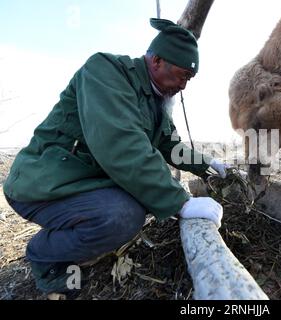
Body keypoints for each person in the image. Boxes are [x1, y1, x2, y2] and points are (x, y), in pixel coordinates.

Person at [3, 18, 228, 297]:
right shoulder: (105, 72)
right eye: (181, 75)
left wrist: (209, 166)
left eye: (189, 79)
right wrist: (180, 203)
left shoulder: (156, 101)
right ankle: (44, 255)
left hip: (83, 183)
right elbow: (121, 144)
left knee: (140, 199)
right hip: (43, 184)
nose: (183, 86)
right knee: (122, 216)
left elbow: (171, 146)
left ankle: (80, 240)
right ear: (157, 61)